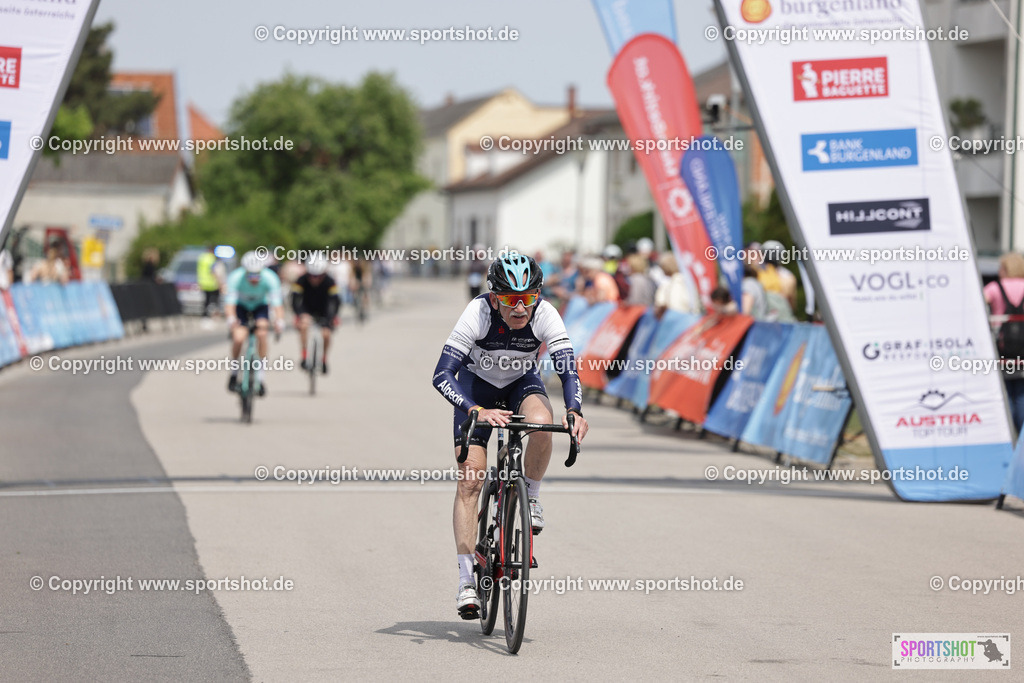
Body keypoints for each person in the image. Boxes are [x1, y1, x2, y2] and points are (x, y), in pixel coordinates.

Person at [431, 252, 589, 619]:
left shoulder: (546, 313)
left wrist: (575, 410)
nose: (520, 308)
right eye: (510, 300)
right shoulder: (477, 312)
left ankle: (530, 497)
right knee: (470, 481)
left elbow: (567, 368)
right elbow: (442, 375)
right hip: (476, 390)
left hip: (521, 383)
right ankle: (467, 581)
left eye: (528, 298)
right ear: (494, 297)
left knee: (542, 423)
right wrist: (476, 410)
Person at [224, 251, 284, 395]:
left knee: (262, 334)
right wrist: (231, 319)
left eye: (257, 274)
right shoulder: (235, 277)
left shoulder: (270, 278)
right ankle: (234, 372)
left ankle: (260, 377)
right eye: (250, 275)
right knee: (238, 338)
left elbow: (277, 304)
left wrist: (279, 321)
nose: (254, 278)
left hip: (260, 307)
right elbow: (230, 304)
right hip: (241, 307)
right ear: (245, 272)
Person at [983, 251, 1024, 430]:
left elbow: (979, 303)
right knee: (1022, 391)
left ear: (1006, 268)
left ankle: (1008, 430)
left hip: (1002, 347)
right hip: (1023, 348)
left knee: (1006, 389)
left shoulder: (994, 287)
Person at [291, 258, 341, 374]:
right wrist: (300, 314)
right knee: (304, 326)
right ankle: (304, 355)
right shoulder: (301, 280)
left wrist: (332, 318)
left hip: (324, 309)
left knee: (326, 334)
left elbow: (336, 301)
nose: (315, 279)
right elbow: (294, 300)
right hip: (307, 308)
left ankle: (323, 358)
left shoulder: (330, 281)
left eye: (318, 276)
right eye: (312, 276)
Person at [653, 253, 701, 317]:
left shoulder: (665, 285)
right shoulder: (689, 281)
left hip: (674, 321)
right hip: (691, 319)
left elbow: (659, 304)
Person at [197, 245, 224, 317]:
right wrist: (220, 283)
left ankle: (205, 315)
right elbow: (214, 271)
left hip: (204, 283)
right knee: (215, 301)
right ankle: (214, 315)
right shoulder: (212, 258)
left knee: (206, 301)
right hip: (212, 284)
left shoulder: (202, 257)